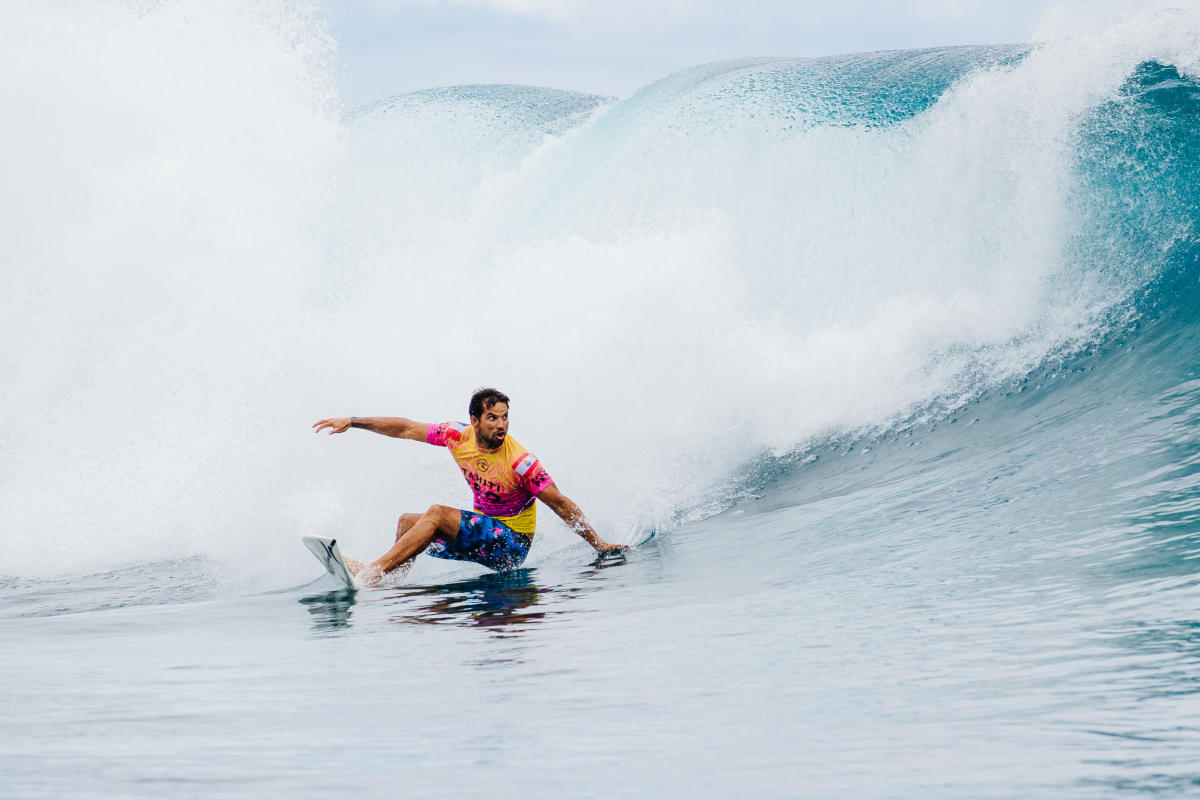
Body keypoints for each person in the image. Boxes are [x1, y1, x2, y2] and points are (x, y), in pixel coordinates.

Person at [313, 387, 623, 584]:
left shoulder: (521, 462)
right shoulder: (456, 436)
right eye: (492, 418)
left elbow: (559, 502)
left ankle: (372, 572)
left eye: (504, 418)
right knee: (408, 522)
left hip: (511, 547)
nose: (501, 425)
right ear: (474, 420)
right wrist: (353, 422)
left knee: (435, 513)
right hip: (483, 539)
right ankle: (390, 581)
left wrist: (598, 543)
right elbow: (406, 428)